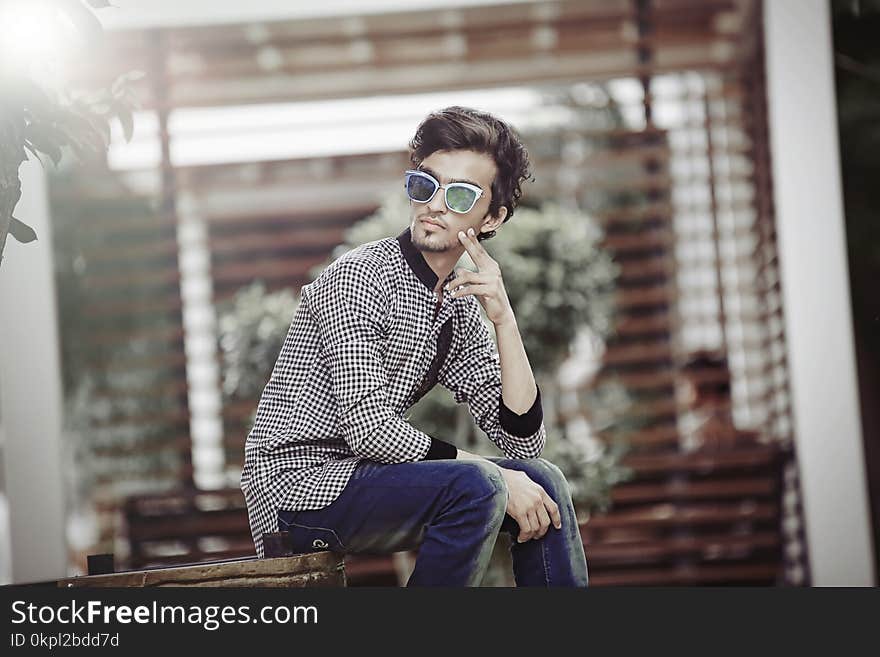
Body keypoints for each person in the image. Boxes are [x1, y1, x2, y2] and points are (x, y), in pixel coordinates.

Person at [240, 106, 588, 586]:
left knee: (543, 479)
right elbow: (370, 431)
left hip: (363, 479)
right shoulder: (359, 276)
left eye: (460, 194)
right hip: (298, 493)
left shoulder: (460, 305)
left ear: (493, 218)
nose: (435, 204)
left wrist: (504, 319)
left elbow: (522, 440)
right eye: (425, 185)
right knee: (480, 483)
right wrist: (497, 474)